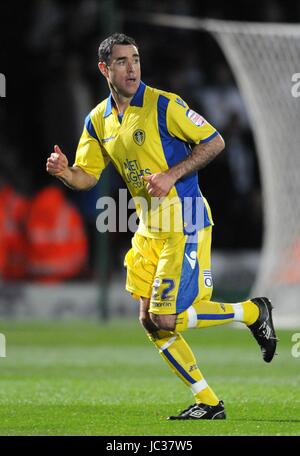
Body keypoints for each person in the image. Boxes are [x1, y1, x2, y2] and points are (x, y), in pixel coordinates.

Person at [46, 33, 278, 420]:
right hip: (149, 226)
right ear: (104, 69)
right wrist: (65, 172)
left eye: (135, 58)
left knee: (165, 317)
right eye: (121, 61)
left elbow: (214, 141)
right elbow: (87, 176)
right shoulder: (98, 120)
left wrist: (172, 174)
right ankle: (208, 402)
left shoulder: (164, 105)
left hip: (183, 219)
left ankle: (253, 313)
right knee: (150, 321)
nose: (132, 67)